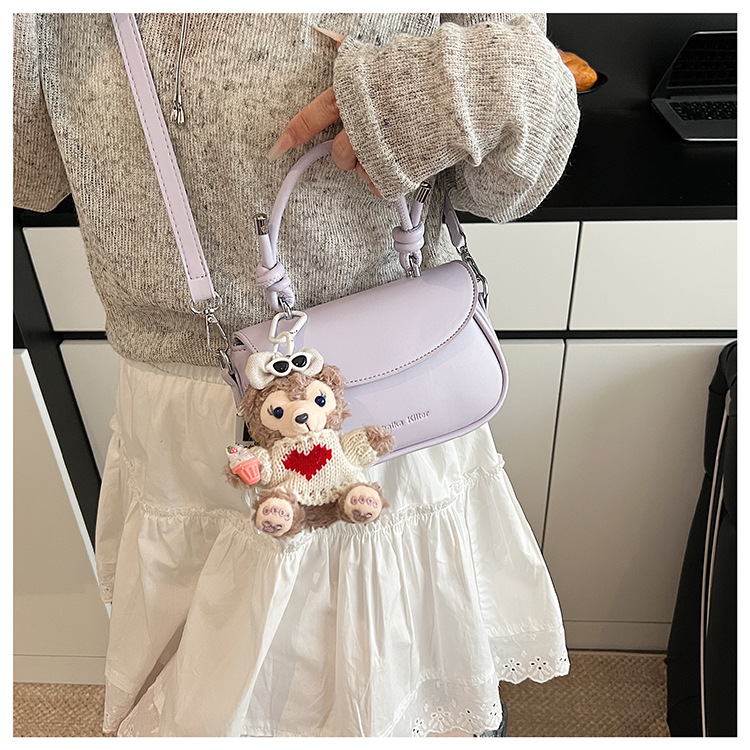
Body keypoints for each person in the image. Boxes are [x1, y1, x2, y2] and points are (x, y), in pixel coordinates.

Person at [13, 12, 580, 737]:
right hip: (190, 409)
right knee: (210, 695)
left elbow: (512, 183)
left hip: (397, 396)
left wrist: (446, 86)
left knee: (404, 688)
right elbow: (29, 170)